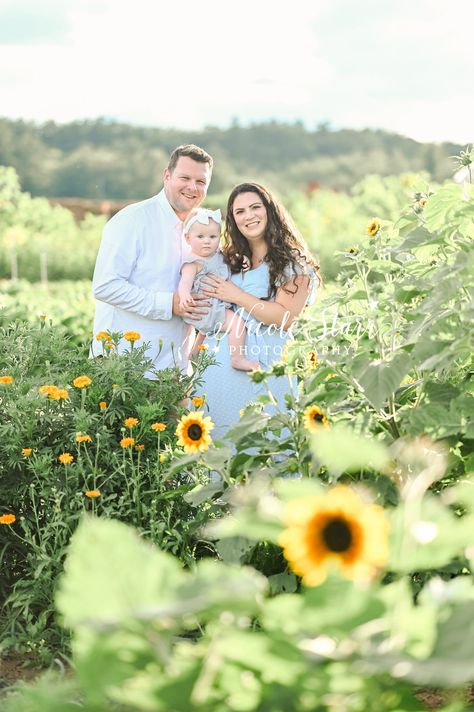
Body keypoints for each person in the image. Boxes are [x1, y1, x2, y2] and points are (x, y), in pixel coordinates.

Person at [198, 182, 321, 440]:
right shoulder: (228, 260)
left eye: (255, 207)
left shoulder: (294, 264)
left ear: (270, 211)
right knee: (219, 456)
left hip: (264, 369)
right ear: (233, 220)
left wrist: (235, 295)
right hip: (216, 375)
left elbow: (284, 319)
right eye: (239, 211)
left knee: (268, 446)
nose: (248, 216)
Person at [90, 144, 213, 374]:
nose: (192, 187)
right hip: (124, 366)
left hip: (176, 370)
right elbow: (105, 286)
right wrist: (169, 304)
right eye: (184, 177)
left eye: (201, 182)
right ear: (166, 176)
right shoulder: (132, 220)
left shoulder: (203, 230)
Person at [179, 207, 260, 371]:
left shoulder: (218, 254)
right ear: (188, 238)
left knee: (205, 331)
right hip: (207, 308)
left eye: (212, 236)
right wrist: (184, 296)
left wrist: (242, 259)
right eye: (200, 237)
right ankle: (237, 358)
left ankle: (194, 353)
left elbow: (232, 257)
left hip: (216, 305)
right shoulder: (193, 264)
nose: (207, 241)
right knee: (238, 324)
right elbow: (184, 283)